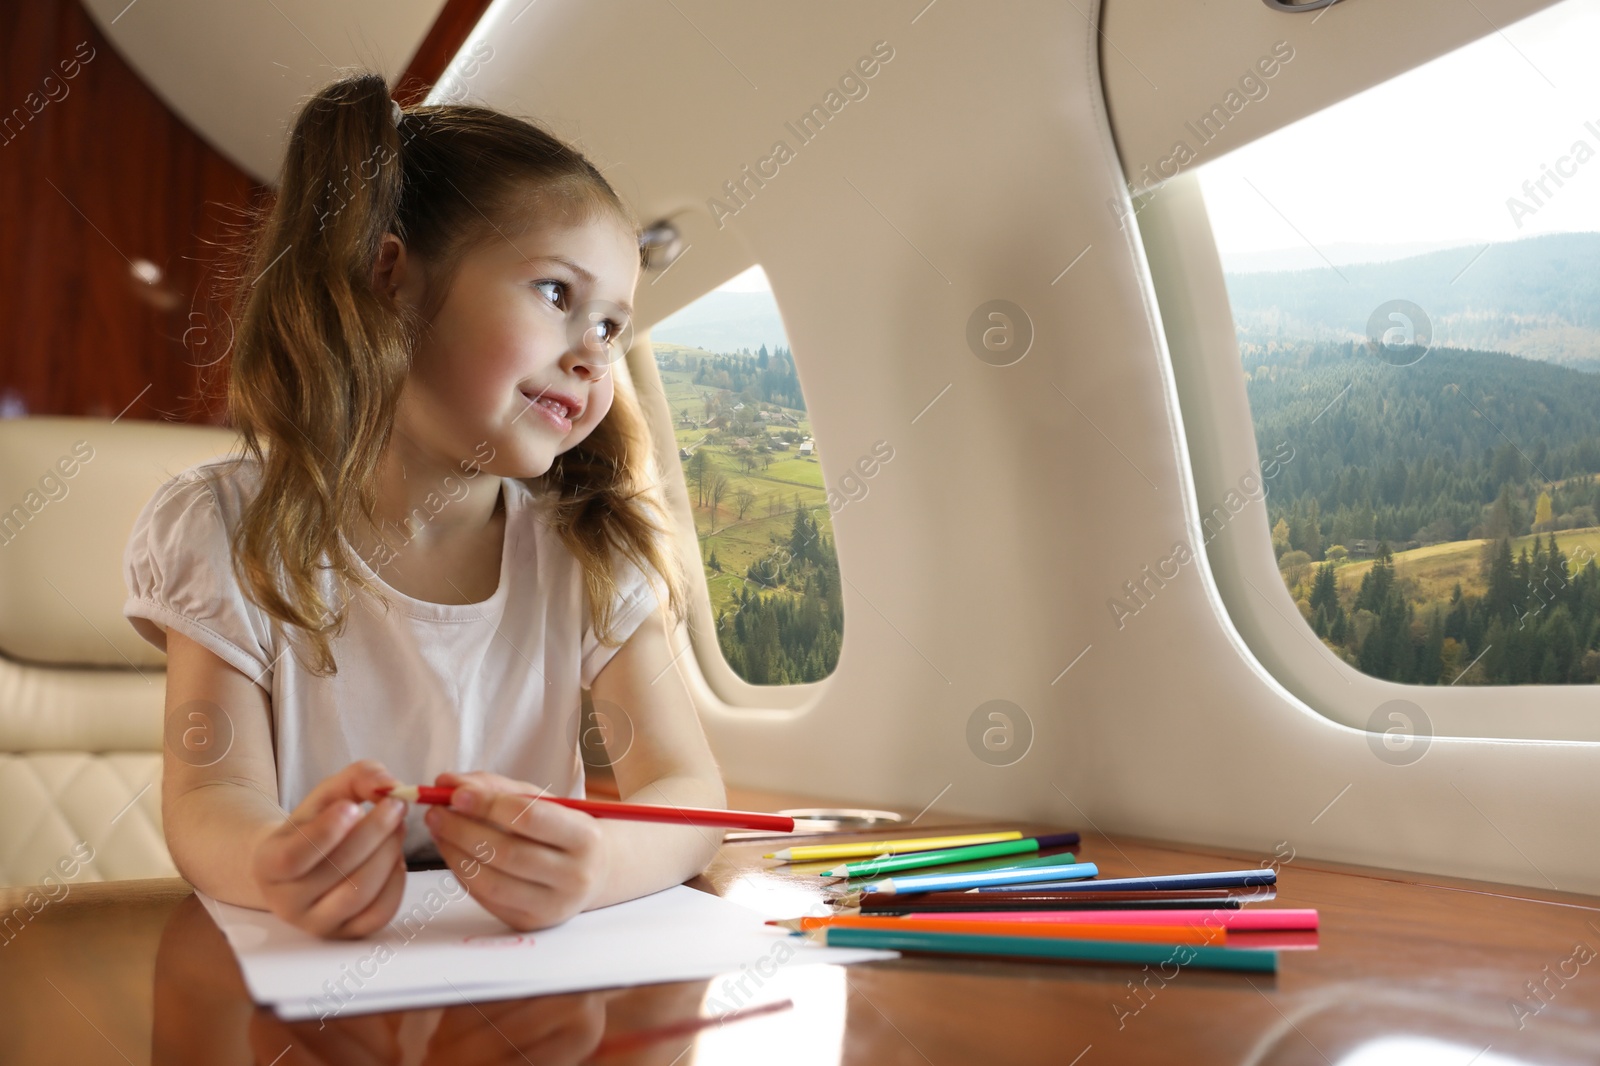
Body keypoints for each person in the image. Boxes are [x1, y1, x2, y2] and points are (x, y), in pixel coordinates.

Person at [122, 71, 726, 940]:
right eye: (558, 295)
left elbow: (691, 795)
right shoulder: (221, 529)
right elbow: (212, 796)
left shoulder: (592, 549)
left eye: (612, 326)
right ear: (390, 278)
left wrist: (595, 865)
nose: (595, 355)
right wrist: (272, 863)